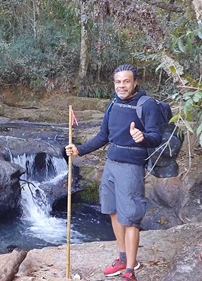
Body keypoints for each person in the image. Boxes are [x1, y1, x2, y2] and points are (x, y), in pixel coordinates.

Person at [65, 64, 165, 281]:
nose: (122, 85)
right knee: (113, 211)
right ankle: (122, 258)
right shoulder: (114, 104)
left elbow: (156, 137)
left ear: (135, 82)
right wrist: (79, 150)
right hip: (111, 164)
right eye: (118, 82)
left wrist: (143, 137)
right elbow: (103, 136)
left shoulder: (146, 105)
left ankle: (130, 269)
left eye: (126, 81)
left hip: (131, 167)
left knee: (130, 217)